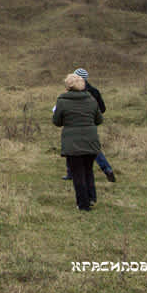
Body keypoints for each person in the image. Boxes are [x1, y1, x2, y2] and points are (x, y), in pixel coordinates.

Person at [53, 73, 103, 211]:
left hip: (72, 142)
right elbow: (99, 120)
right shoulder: (92, 99)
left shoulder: (62, 101)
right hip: (91, 140)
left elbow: (56, 121)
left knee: (77, 174)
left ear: (67, 86)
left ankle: (83, 204)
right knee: (88, 170)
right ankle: (91, 198)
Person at [62, 68, 116, 182]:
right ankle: (107, 169)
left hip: (73, 125)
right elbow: (103, 109)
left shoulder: (71, 93)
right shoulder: (95, 91)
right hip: (91, 126)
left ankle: (70, 173)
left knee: (70, 148)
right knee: (93, 149)